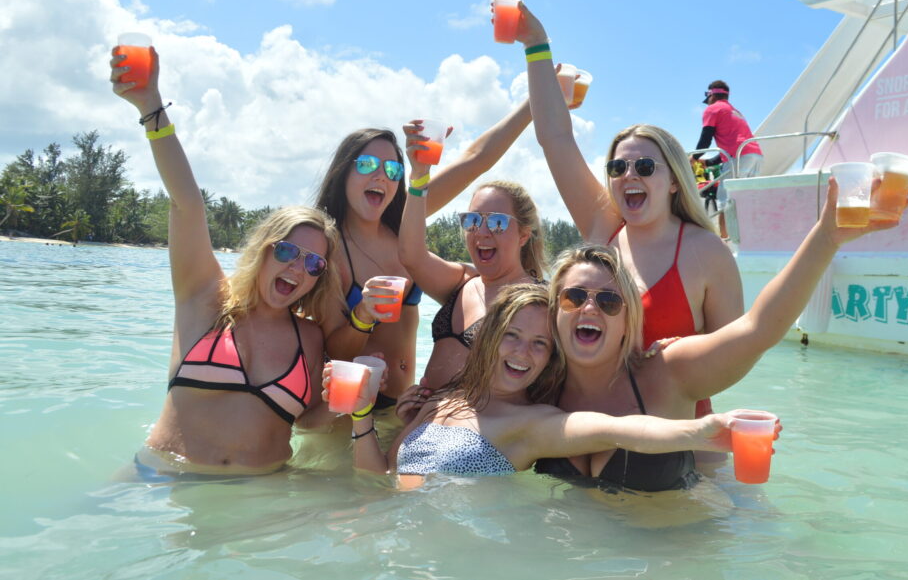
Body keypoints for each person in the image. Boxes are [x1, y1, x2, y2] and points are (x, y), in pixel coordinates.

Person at [533, 177, 907, 491]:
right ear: (554, 310)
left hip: (683, 551)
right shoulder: (532, 381)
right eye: (575, 297)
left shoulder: (664, 372)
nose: (590, 308)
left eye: (609, 301)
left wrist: (826, 237)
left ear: (628, 319)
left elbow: (757, 329)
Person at [110, 46, 341, 475]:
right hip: (162, 478)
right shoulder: (204, 298)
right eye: (288, 251)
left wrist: (348, 406)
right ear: (264, 249)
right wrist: (150, 107)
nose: (297, 268)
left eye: (313, 265)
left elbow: (306, 421)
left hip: (260, 497)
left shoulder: (309, 338)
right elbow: (187, 205)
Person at [515, 1, 742, 421]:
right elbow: (556, 138)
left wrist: (689, 355)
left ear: (674, 180)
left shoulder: (707, 252)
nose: (628, 175)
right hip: (585, 430)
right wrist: (536, 44)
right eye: (618, 167)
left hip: (673, 442)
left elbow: (738, 353)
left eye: (644, 167)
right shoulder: (603, 224)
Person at [333, 284, 769, 490]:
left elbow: (614, 429)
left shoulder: (534, 424)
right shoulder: (444, 401)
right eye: (512, 335)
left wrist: (700, 431)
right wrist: (361, 412)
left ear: (549, 358)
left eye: (540, 343)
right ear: (487, 337)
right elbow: (381, 476)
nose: (524, 352)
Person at [315, 102, 537, 408]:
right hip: (351, 405)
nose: (381, 176)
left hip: (404, 405)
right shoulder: (328, 248)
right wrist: (363, 315)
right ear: (344, 172)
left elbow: (476, 160)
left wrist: (533, 104)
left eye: (392, 170)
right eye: (367, 165)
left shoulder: (405, 223)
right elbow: (333, 349)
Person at [399, 125, 546, 390]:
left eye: (498, 222)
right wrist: (419, 177)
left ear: (524, 235)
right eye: (473, 220)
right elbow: (411, 255)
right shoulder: (464, 280)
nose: (482, 231)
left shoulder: (539, 301)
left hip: (475, 428)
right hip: (422, 419)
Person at [695, 80, 764, 214]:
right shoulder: (734, 111)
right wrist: (707, 162)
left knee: (726, 204)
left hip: (739, 157)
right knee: (746, 202)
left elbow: (705, 139)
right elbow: (732, 148)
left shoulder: (712, 109)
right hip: (755, 156)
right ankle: (746, 234)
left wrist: (694, 157)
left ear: (711, 95)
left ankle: (725, 235)